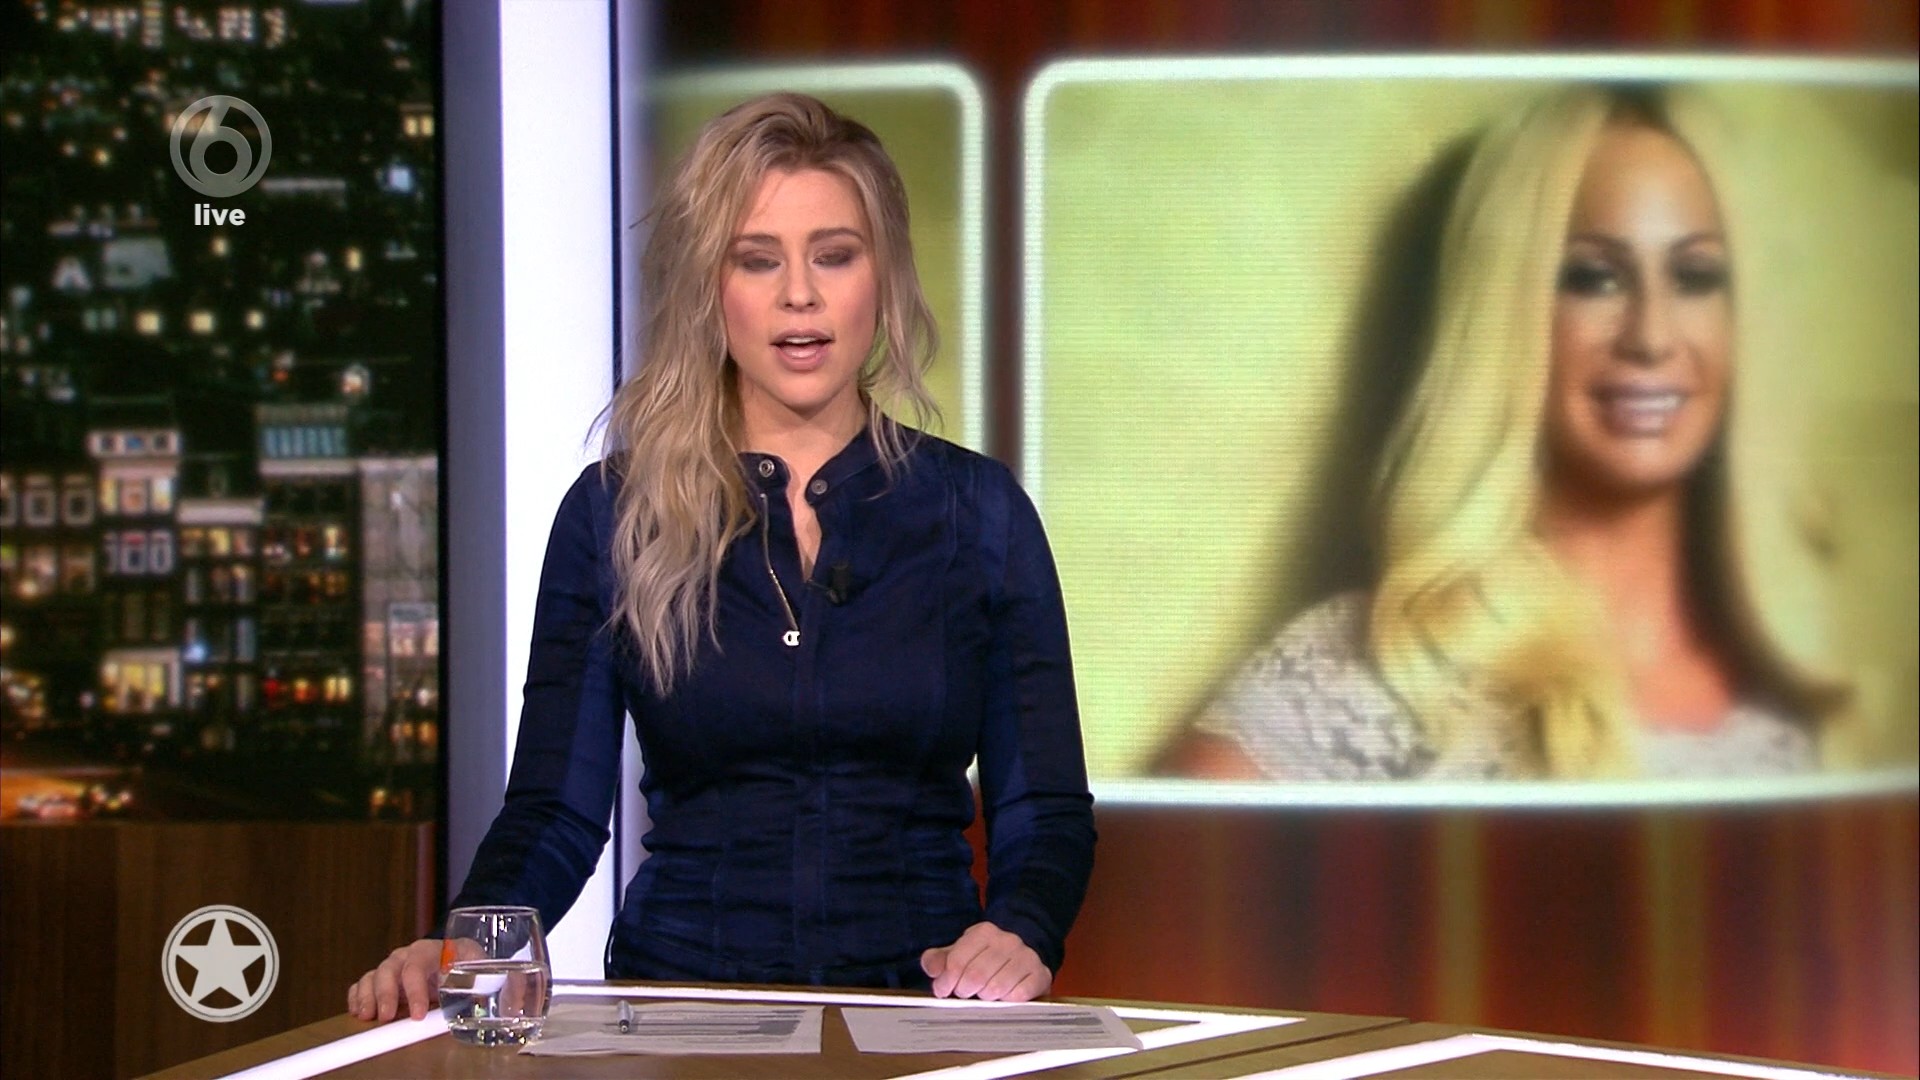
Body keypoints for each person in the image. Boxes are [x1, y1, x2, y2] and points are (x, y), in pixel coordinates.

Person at [349, 93, 1095, 1020]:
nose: (799, 295)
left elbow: (1043, 807)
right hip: (681, 1004)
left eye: (834, 255)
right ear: (711, 286)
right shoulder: (613, 514)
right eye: (757, 259)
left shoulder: (977, 512)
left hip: (921, 1005)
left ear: (884, 277)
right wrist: (468, 944)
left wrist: (1021, 929)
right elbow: (555, 812)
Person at [1168, 85, 1859, 781]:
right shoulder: (1377, 673)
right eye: (1593, 278)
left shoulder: (1788, 710)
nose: (1652, 337)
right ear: (1506, 311)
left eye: (1696, 276)